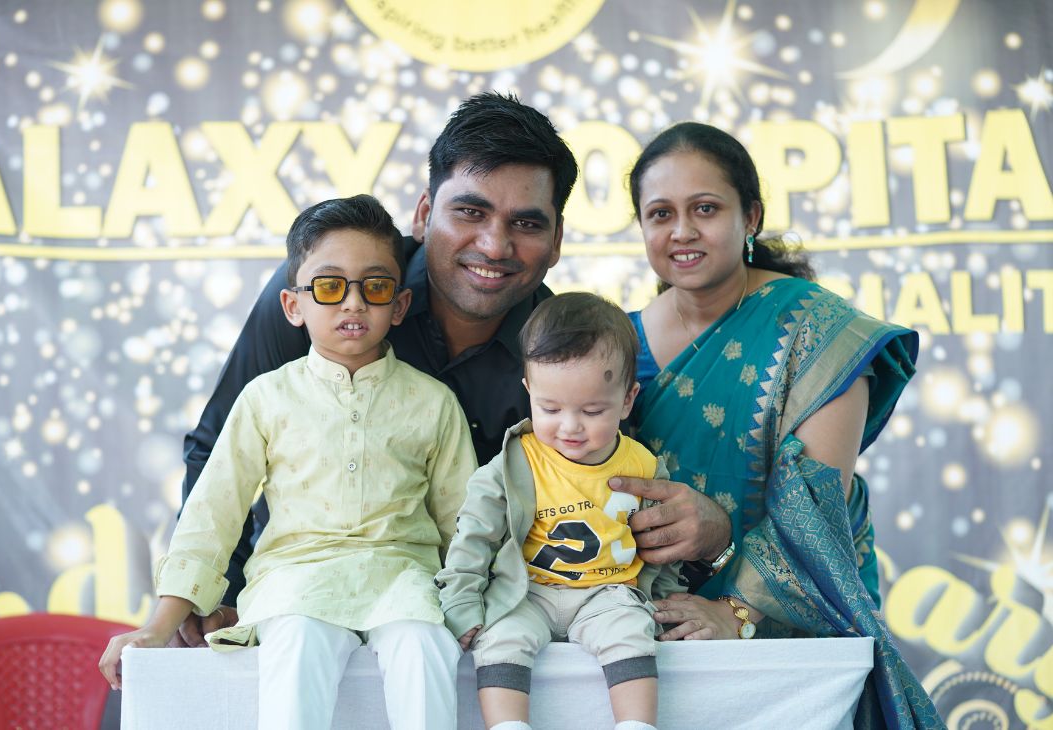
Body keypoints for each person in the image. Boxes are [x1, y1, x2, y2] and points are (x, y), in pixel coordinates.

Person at [175, 93, 733, 645]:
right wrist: (214, 599)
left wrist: (714, 542)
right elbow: (218, 452)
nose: (494, 245)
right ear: (424, 214)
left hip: (457, 624)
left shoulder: (567, 353)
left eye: (526, 223)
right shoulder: (331, 288)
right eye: (470, 212)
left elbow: (608, 498)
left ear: (556, 241)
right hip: (300, 601)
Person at [99, 195, 477, 730]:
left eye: (374, 287)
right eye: (329, 286)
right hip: (296, 583)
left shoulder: (434, 402)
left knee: (424, 645)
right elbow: (214, 513)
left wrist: (476, 605)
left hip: (404, 582)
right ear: (293, 305)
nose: (353, 304)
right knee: (297, 642)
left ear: (399, 305)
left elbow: (463, 524)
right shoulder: (265, 398)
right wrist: (159, 625)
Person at [626, 122, 943, 726]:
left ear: (750, 217)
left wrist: (734, 613)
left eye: (705, 208)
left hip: (790, 630)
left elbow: (814, 508)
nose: (682, 231)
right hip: (652, 629)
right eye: (660, 213)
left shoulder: (818, 335)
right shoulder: (620, 342)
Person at [438, 293, 685, 730]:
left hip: (606, 593)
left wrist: (664, 600)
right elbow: (473, 537)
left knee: (630, 631)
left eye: (592, 411)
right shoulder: (514, 464)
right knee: (500, 637)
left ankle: (636, 724)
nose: (570, 426)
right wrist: (462, 602)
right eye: (550, 409)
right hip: (526, 592)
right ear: (529, 390)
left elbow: (661, 545)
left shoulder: (643, 467)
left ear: (627, 399)